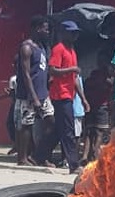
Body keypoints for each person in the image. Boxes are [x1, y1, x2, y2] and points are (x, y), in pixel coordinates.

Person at [38, 19, 81, 173]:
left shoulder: (72, 50)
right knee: (68, 130)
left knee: (58, 129)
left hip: (69, 94)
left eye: (76, 33)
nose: (75, 35)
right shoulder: (59, 49)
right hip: (60, 95)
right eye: (72, 32)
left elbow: (74, 77)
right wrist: (71, 69)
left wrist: (83, 98)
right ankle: (74, 165)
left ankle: (39, 156)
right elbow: (53, 70)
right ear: (64, 33)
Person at [12, 16, 53, 166]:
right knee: (26, 125)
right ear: (37, 28)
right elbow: (26, 74)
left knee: (52, 122)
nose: (47, 32)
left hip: (43, 93)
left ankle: (39, 155)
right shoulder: (27, 47)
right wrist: (34, 97)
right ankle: (22, 158)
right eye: (45, 28)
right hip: (28, 95)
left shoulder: (41, 47)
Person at [85, 61, 112, 162]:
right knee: (99, 132)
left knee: (89, 132)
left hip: (92, 106)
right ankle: (95, 155)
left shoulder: (93, 76)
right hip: (100, 107)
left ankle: (86, 155)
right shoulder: (106, 78)